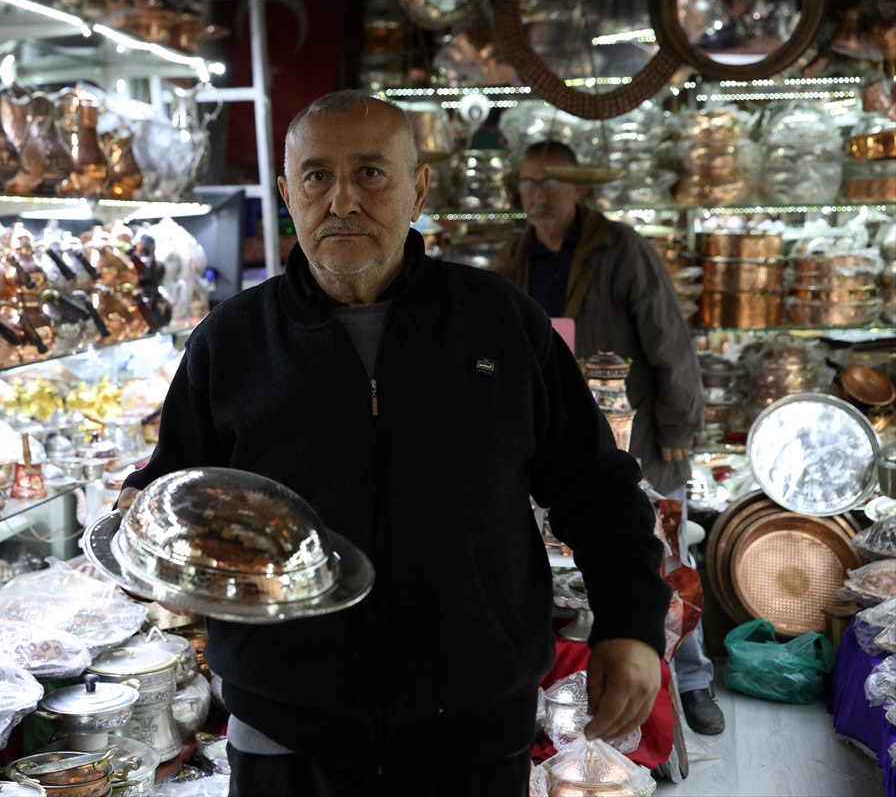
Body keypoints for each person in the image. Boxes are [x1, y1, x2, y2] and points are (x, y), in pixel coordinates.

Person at [118, 91, 671, 796]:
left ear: (419, 190)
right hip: (285, 732)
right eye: (316, 177)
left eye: (372, 173)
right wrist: (141, 511)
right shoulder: (232, 342)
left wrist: (630, 626)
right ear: (288, 195)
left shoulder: (501, 323)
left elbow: (596, 488)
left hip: (473, 729)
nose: (342, 200)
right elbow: (178, 487)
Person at [495, 141, 722, 736]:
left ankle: (692, 682)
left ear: (579, 188)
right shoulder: (514, 256)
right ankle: (566, 688)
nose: (538, 196)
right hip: (556, 436)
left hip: (635, 426)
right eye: (528, 184)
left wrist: (678, 427)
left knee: (667, 552)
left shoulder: (618, 248)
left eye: (552, 183)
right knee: (561, 557)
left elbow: (668, 339)